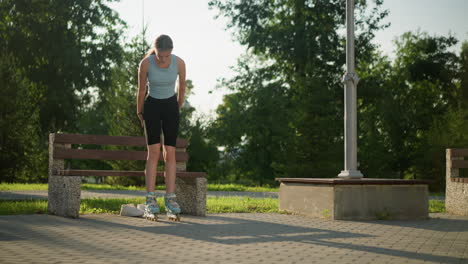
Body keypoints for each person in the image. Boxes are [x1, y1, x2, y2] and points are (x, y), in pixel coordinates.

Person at [136, 34, 186, 221]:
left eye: (166, 56)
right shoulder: (146, 64)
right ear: (155, 51)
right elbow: (141, 90)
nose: (163, 59)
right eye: (159, 56)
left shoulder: (179, 63)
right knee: (153, 152)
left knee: (170, 152)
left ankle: (170, 199)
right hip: (152, 107)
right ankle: (150, 199)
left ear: (171, 52)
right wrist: (139, 111)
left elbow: (182, 87)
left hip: (171, 106)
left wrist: (177, 107)